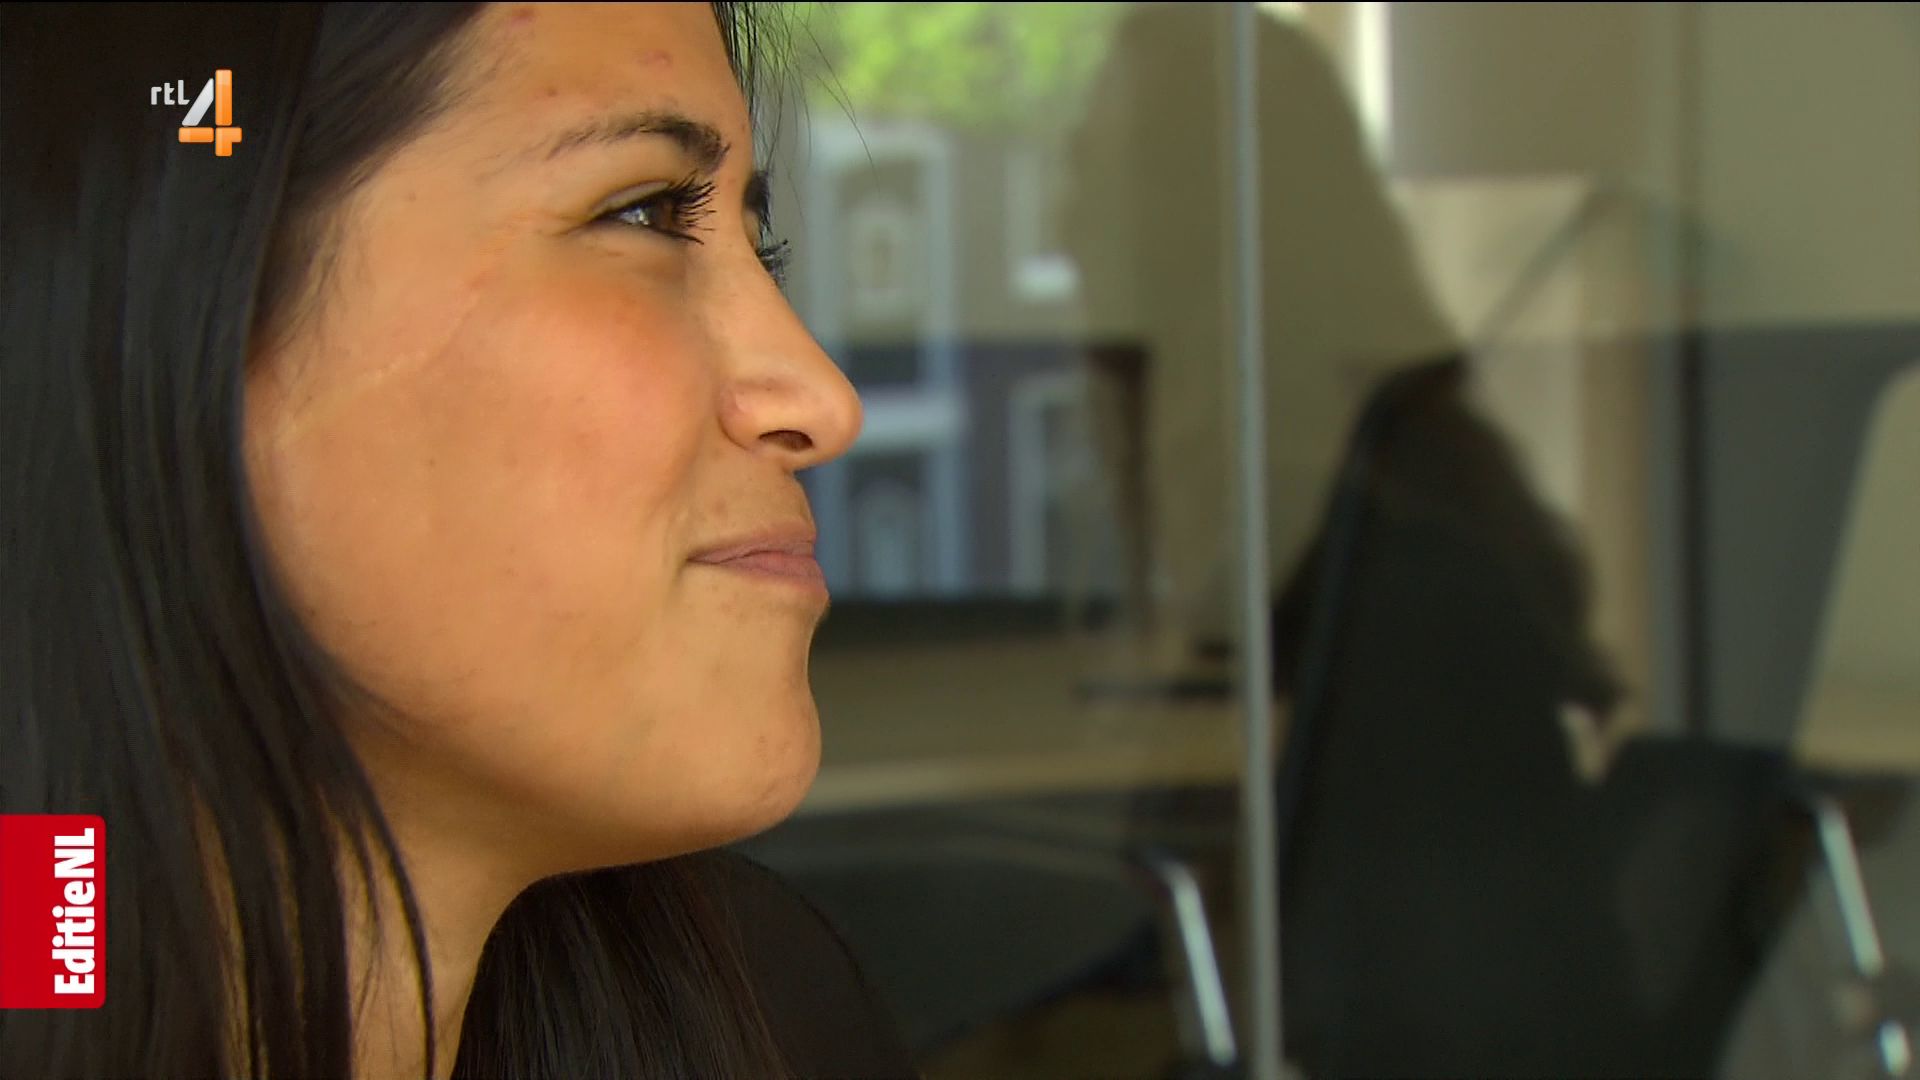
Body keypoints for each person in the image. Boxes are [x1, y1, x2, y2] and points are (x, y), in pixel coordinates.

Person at [0, 4, 916, 1078]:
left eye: (762, 248)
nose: (822, 402)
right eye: (641, 213)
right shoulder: (45, 953)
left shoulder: (766, 1016)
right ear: (175, 305)